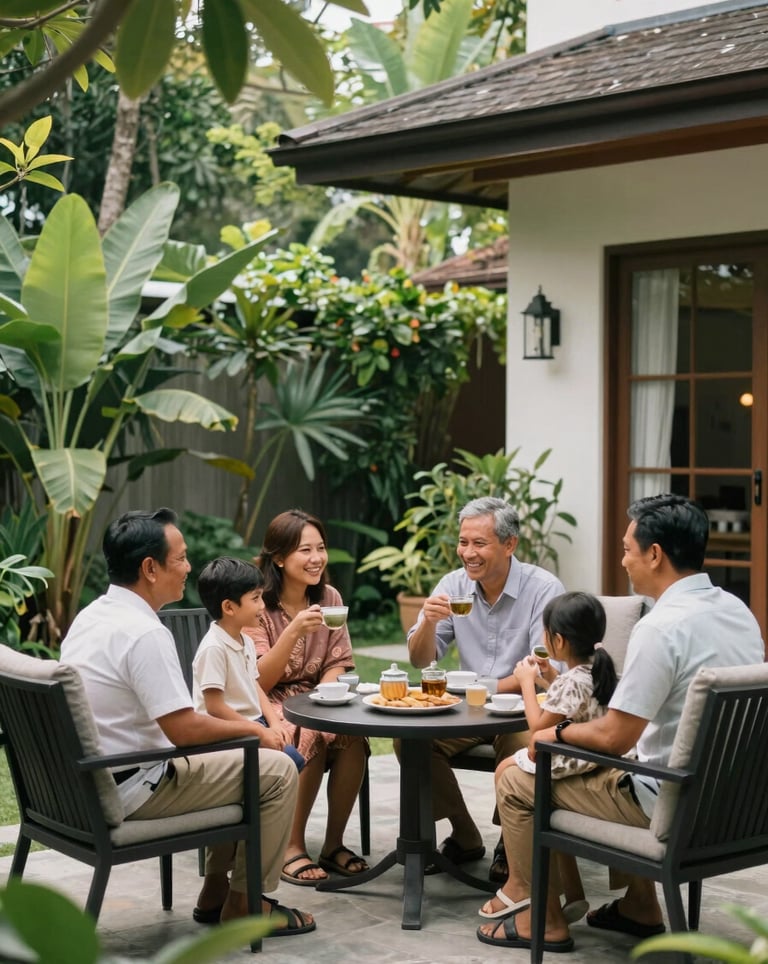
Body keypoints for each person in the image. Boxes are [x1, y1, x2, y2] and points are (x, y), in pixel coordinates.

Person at [479, 493, 764, 952]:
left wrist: (557, 733)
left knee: (514, 777)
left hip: (672, 801)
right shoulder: (737, 611)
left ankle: (545, 918)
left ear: (655, 554)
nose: (623, 560)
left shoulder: (661, 627)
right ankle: (639, 906)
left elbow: (614, 736)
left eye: (628, 549)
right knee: (624, 763)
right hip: (734, 805)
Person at [60, 508, 315, 936]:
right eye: (180, 558)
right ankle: (248, 904)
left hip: (88, 782)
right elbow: (184, 730)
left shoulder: (92, 617)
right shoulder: (143, 633)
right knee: (278, 770)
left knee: (239, 758)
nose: (188, 568)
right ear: (150, 568)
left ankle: (215, 892)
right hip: (133, 784)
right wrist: (255, 730)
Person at [405, 495, 565, 879]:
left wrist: (490, 687)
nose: (468, 553)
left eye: (479, 543)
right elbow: (418, 658)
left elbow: (545, 670)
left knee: (523, 741)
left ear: (510, 545)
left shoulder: (543, 589)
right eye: (463, 542)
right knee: (411, 740)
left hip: (523, 708)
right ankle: (464, 834)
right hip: (470, 709)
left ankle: (511, 844)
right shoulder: (453, 585)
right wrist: (426, 622)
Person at [246, 509, 369, 886]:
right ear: (280, 558)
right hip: (264, 703)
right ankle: (291, 846)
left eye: (321, 548)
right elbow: (259, 680)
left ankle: (333, 844)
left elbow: (338, 662)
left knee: (351, 737)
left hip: (315, 696)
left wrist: (326, 694)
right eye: (305, 550)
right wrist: (293, 632)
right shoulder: (256, 603)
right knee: (310, 733)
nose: (316, 558)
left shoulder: (329, 596)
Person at [478, 590, 617, 924]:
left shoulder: (571, 681)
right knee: (524, 785)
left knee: (504, 771)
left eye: (545, 632)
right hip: (589, 760)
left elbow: (538, 728)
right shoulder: (594, 670)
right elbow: (575, 701)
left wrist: (527, 683)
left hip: (568, 760)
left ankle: (519, 880)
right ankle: (572, 891)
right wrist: (548, 678)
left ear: (558, 640)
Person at [192, 556, 305, 772]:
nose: (262, 606)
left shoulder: (246, 642)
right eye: (255, 599)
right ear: (229, 607)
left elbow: (255, 685)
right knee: (288, 764)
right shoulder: (214, 648)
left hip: (252, 725)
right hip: (225, 737)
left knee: (294, 760)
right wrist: (256, 731)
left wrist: (274, 723)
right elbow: (214, 707)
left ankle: (274, 803)